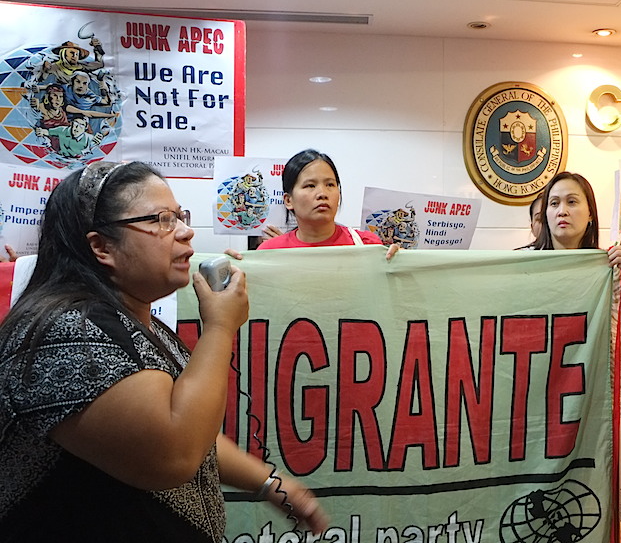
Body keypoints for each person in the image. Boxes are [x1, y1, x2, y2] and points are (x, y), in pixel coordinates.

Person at [0, 161, 328, 540]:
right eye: (162, 219)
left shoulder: (130, 321)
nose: (187, 232)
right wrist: (220, 328)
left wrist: (270, 483)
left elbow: (180, 422)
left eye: (180, 216)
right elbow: (174, 450)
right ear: (100, 246)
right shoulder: (64, 333)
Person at [228, 149, 396, 257]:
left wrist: (400, 265)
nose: (322, 194)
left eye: (330, 185)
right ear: (288, 200)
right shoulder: (269, 252)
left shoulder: (368, 245)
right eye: (310, 185)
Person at [533, 171, 621, 279]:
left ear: (590, 212)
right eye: (554, 203)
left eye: (571, 202)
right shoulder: (523, 263)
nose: (562, 211)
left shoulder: (611, 266)